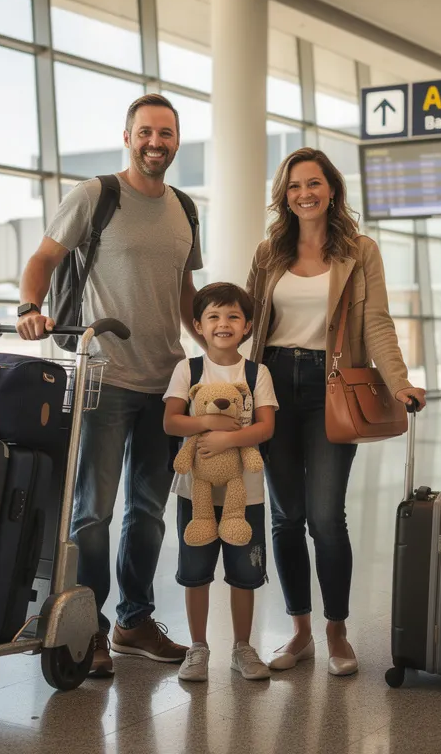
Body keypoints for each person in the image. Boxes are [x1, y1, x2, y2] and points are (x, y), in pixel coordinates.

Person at [16, 94, 199, 677]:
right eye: (145, 132)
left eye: (166, 133)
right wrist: (29, 306)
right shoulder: (95, 196)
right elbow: (44, 258)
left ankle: (134, 621)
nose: (155, 142)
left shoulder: (186, 209)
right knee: (91, 513)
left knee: (148, 512)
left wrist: (218, 350)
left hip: (165, 380)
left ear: (176, 141)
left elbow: (187, 297)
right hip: (104, 376)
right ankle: (87, 628)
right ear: (127, 137)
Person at [245, 148, 428, 677]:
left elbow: (377, 324)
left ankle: (337, 632)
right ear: (284, 194)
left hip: (333, 388)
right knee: (285, 518)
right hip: (272, 385)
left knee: (326, 517)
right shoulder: (268, 252)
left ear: (332, 189)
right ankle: (300, 633)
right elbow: (250, 322)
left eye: (315, 184)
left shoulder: (358, 250)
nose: (306, 193)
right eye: (295, 185)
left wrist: (400, 382)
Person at [163, 283, 277, 682]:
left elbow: (265, 428)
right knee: (196, 570)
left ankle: (243, 648)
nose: (223, 324)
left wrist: (228, 439)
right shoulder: (188, 370)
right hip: (193, 494)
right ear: (197, 325)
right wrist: (209, 423)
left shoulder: (256, 372)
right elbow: (171, 421)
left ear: (247, 327)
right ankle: (197, 648)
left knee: (244, 572)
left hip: (245, 493)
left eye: (232, 317)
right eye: (213, 316)